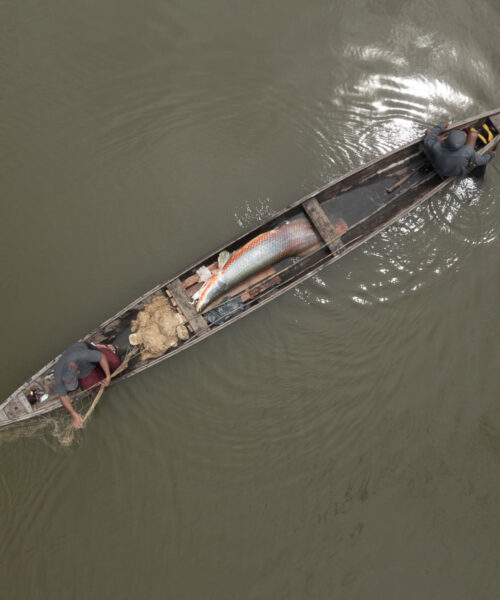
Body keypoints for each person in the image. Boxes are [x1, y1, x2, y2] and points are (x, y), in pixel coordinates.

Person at [54, 341, 121, 429]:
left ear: (77, 373)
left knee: (115, 363)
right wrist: (74, 414)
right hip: (85, 369)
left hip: (85, 351)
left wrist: (108, 376)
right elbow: (63, 396)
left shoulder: (81, 355)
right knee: (96, 388)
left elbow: (102, 357)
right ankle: (97, 371)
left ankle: (99, 346)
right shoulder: (58, 372)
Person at [423, 121, 496, 178]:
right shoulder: (468, 151)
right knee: (473, 135)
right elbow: (481, 161)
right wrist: (491, 154)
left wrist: (442, 125)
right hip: (456, 172)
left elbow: (428, 134)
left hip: (438, 166)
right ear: (463, 144)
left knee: (429, 132)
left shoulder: (435, 146)